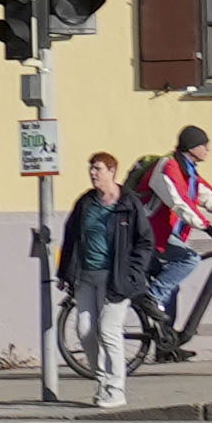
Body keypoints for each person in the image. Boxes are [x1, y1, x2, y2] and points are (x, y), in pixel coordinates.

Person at [140, 126, 212, 352]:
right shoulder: (168, 167)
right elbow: (180, 201)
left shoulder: (189, 172)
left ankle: (165, 348)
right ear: (192, 146)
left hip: (161, 234)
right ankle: (150, 298)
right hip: (147, 233)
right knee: (189, 259)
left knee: (171, 287)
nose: (208, 149)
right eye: (204, 144)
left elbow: (209, 198)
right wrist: (209, 228)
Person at [53, 150, 138, 408]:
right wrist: (65, 273)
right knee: (85, 331)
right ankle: (102, 382)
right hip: (85, 278)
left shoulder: (128, 203)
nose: (93, 173)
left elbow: (144, 241)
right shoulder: (86, 203)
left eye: (98, 168)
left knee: (108, 330)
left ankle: (116, 389)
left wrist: (133, 272)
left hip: (115, 280)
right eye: (91, 168)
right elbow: (71, 238)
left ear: (112, 171)